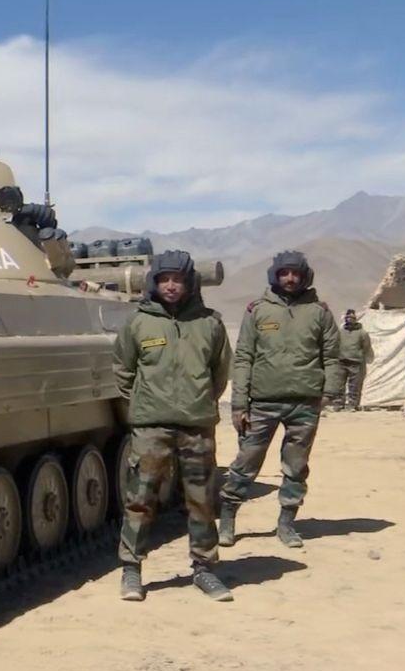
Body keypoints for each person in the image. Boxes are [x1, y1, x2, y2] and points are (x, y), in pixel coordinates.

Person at [113, 250, 234, 602]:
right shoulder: (138, 323)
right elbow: (123, 369)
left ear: (189, 283)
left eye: (177, 280)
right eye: (164, 279)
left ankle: (205, 569)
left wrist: (198, 401)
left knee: (201, 500)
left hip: (196, 424)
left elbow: (219, 372)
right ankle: (131, 570)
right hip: (151, 426)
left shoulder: (209, 323)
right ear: (154, 282)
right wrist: (145, 403)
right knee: (140, 498)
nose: (170, 286)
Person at [221, 250, 341, 549]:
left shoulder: (319, 312)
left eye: (296, 273)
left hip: (305, 403)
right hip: (262, 403)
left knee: (296, 466)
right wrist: (239, 403)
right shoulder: (258, 311)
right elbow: (244, 358)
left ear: (305, 276)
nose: (290, 278)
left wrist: (328, 393)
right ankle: (227, 519)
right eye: (285, 273)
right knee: (246, 463)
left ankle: (287, 524)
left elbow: (333, 357)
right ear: (275, 276)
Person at [335, 309, 374, 411]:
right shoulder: (340, 331)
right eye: (348, 318)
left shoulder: (362, 333)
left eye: (352, 318)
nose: (349, 320)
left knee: (354, 386)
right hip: (341, 361)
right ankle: (339, 404)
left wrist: (358, 354)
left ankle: (352, 405)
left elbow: (366, 347)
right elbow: (336, 344)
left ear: (355, 319)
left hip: (355, 362)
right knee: (339, 384)